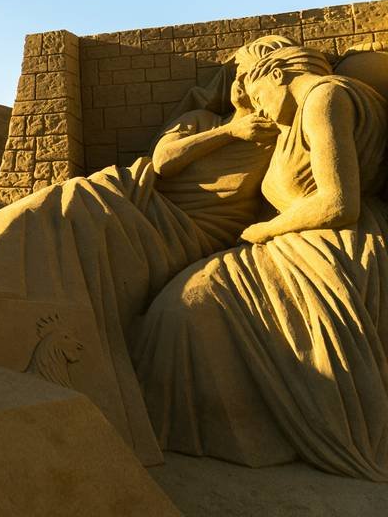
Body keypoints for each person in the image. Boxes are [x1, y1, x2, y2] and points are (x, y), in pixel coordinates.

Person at [0, 42, 283, 457]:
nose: (240, 84)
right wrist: (228, 132)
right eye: (235, 76)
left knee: (83, 224)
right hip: (142, 194)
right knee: (57, 203)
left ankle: (24, 331)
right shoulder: (202, 119)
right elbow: (164, 161)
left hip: (184, 231)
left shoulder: (278, 142)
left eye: (250, 75)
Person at [134, 42, 388, 481]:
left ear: (276, 73)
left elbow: (338, 203)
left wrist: (263, 230)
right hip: (306, 240)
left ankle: (244, 434)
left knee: (187, 307)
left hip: (331, 245)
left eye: (256, 95)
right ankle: (231, 433)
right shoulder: (301, 114)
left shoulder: (324, 98)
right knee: (182, 306)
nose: (260, 111)